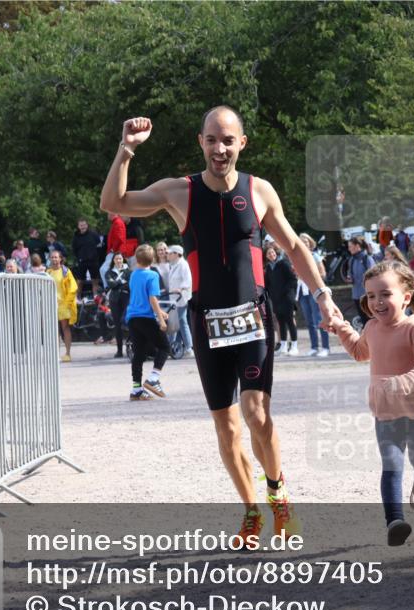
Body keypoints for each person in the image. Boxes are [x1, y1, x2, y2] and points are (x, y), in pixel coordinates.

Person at [99, 107, 341, 540]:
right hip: (208, 321)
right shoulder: (180, 192)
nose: (219, 149)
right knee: (227, 426)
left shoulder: (259, 190)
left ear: (241, 143)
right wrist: (126, 151)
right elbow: (113, 203)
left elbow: (292, 247)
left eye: (228, 140)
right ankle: (251, 511)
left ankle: (277, 494)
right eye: (212, 140)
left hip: (253, 318)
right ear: (201, 142)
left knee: (256, 412)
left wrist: (323, 296)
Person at [328, 261, 414, 546]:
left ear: (406, 297)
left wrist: (404, 381)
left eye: (385, 294)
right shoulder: (371, 327)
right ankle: (395, 521)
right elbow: (360, 352)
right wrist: (341, 328)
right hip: (385, 410)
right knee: (391, 464)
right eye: (371, 296)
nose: (377, 302)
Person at [123, 244, 170, 400]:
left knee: (139, 353)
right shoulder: (153, 276)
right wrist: (161, 319)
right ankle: (153, 379)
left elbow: (140, 297)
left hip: (133, 317)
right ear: (153, 258)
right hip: (145, 317)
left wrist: (160, 311)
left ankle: (136, 390)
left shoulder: (133, 275)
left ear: (137, 259)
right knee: (164, 347)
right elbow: (152, 298)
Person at [296, 233, 330, 357]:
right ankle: (314, 347)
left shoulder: (315, 256)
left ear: (310, 243)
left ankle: (325, 347)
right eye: (301, 241)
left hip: (314, 291)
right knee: (309, 321)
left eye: (306, 241)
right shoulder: (297, 256)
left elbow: (323, 273)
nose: (304, 243)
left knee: (319, 319)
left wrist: (310, 277)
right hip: (302, 291)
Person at [265, 246, 299, 356]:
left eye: (272, 252)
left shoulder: (284, 263)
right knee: (281, 323)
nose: (271, 255)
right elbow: (268, 285)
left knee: (290, 322)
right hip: (276, 300)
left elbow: (293, 280)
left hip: (287, 298)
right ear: (266, 256)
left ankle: (294, 346)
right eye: (269, 253)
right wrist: (272, 295)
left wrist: (286, 293)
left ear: (276, 252)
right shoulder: (269, 268)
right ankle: (283, 346)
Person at [46, 249, 78, 362]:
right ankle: (55, 354)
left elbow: (73, 287)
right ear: (50, 259)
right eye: (52, 257)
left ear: (60, 258)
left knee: (65, 328)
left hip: (63, 304)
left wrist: (68, 302)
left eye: (56, 257)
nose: (54, 259)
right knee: (54, 330)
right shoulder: (47, 272)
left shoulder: (65, 271)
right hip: (51, 304)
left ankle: (67, 353)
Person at [163, 245, 194, 357]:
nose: (168, 255)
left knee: (180, 321)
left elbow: (188, 280)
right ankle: (174, 347)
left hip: (181, 298)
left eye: (170, 253)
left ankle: (188, 348)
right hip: (174, 299)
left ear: (176, 254)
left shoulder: (183, 265)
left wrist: (180, 288)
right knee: (176, 321)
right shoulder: (174, 265)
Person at [104, 252, 131, 358]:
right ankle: (119, 350)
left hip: (126, 298)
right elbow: (111, 284)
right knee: (117, 325)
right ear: (113, 261)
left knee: (129, 322)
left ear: (123, 260)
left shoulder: (129, 272)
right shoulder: (109, 272)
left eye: (120, 259)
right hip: (114, 300)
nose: (118, 261)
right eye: (116, 259)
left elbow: (129, 285)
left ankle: (131, 347)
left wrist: (117, 284)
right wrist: (122, 283)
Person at [348, 235, 376, 328]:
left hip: (367, 296)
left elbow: (374, 276)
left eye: (350, 246)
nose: (349, 249)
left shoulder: (367, 259)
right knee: (365, 323)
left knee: (372, 321)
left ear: (357, 246)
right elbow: (351, 274)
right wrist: (349, 278)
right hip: (356, 295)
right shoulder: (351, 260)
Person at [72, 218, 103, 296]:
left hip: (93, 261)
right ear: (78, 226)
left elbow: (99, 247)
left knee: (95, 280)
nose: (83, 227)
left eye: (84, 225)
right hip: (82, 261)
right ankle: (77, 298)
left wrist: (96, 256)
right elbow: (74, 249)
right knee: (79, 281)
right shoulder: (76, 237)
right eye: (81, 225)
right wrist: (79, 258)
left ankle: (96, 297)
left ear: (87, 225)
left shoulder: (94, 234)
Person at [100, 212, 128, 286]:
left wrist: (113, 249)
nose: (107, 215)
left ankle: (108, 288)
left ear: (112, 214)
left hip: (116, 252)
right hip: (117, 251)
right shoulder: (117, 222)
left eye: (108, 213)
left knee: (103, 270)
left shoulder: (117, 223)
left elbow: (119, 238)